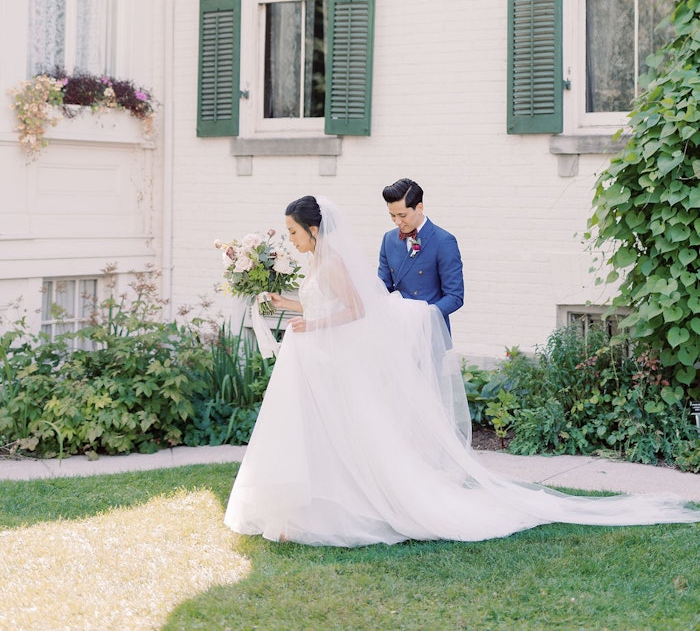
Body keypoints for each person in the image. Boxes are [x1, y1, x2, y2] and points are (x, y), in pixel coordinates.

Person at [224, 195, 700, 548]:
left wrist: (311, 323)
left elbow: (353, 310)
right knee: (322, 435)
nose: (289, 239)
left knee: (341, 435)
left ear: (313, 228)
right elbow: (329, 302)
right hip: (322, 359)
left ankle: (338, 506)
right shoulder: (328, 260)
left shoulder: (340, 263)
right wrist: (284, 302)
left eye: (292, 231)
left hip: (347, 350)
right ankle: (302, 508)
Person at [378, 178, 464, 331]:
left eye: (402, 215)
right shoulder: (388, 239)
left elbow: (455, 296)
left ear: (419, 207)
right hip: (396, 330)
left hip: (429, 330)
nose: (397, 222)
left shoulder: (444, 241)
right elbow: (383, 287)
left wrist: (424, 315)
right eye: (392, 215)